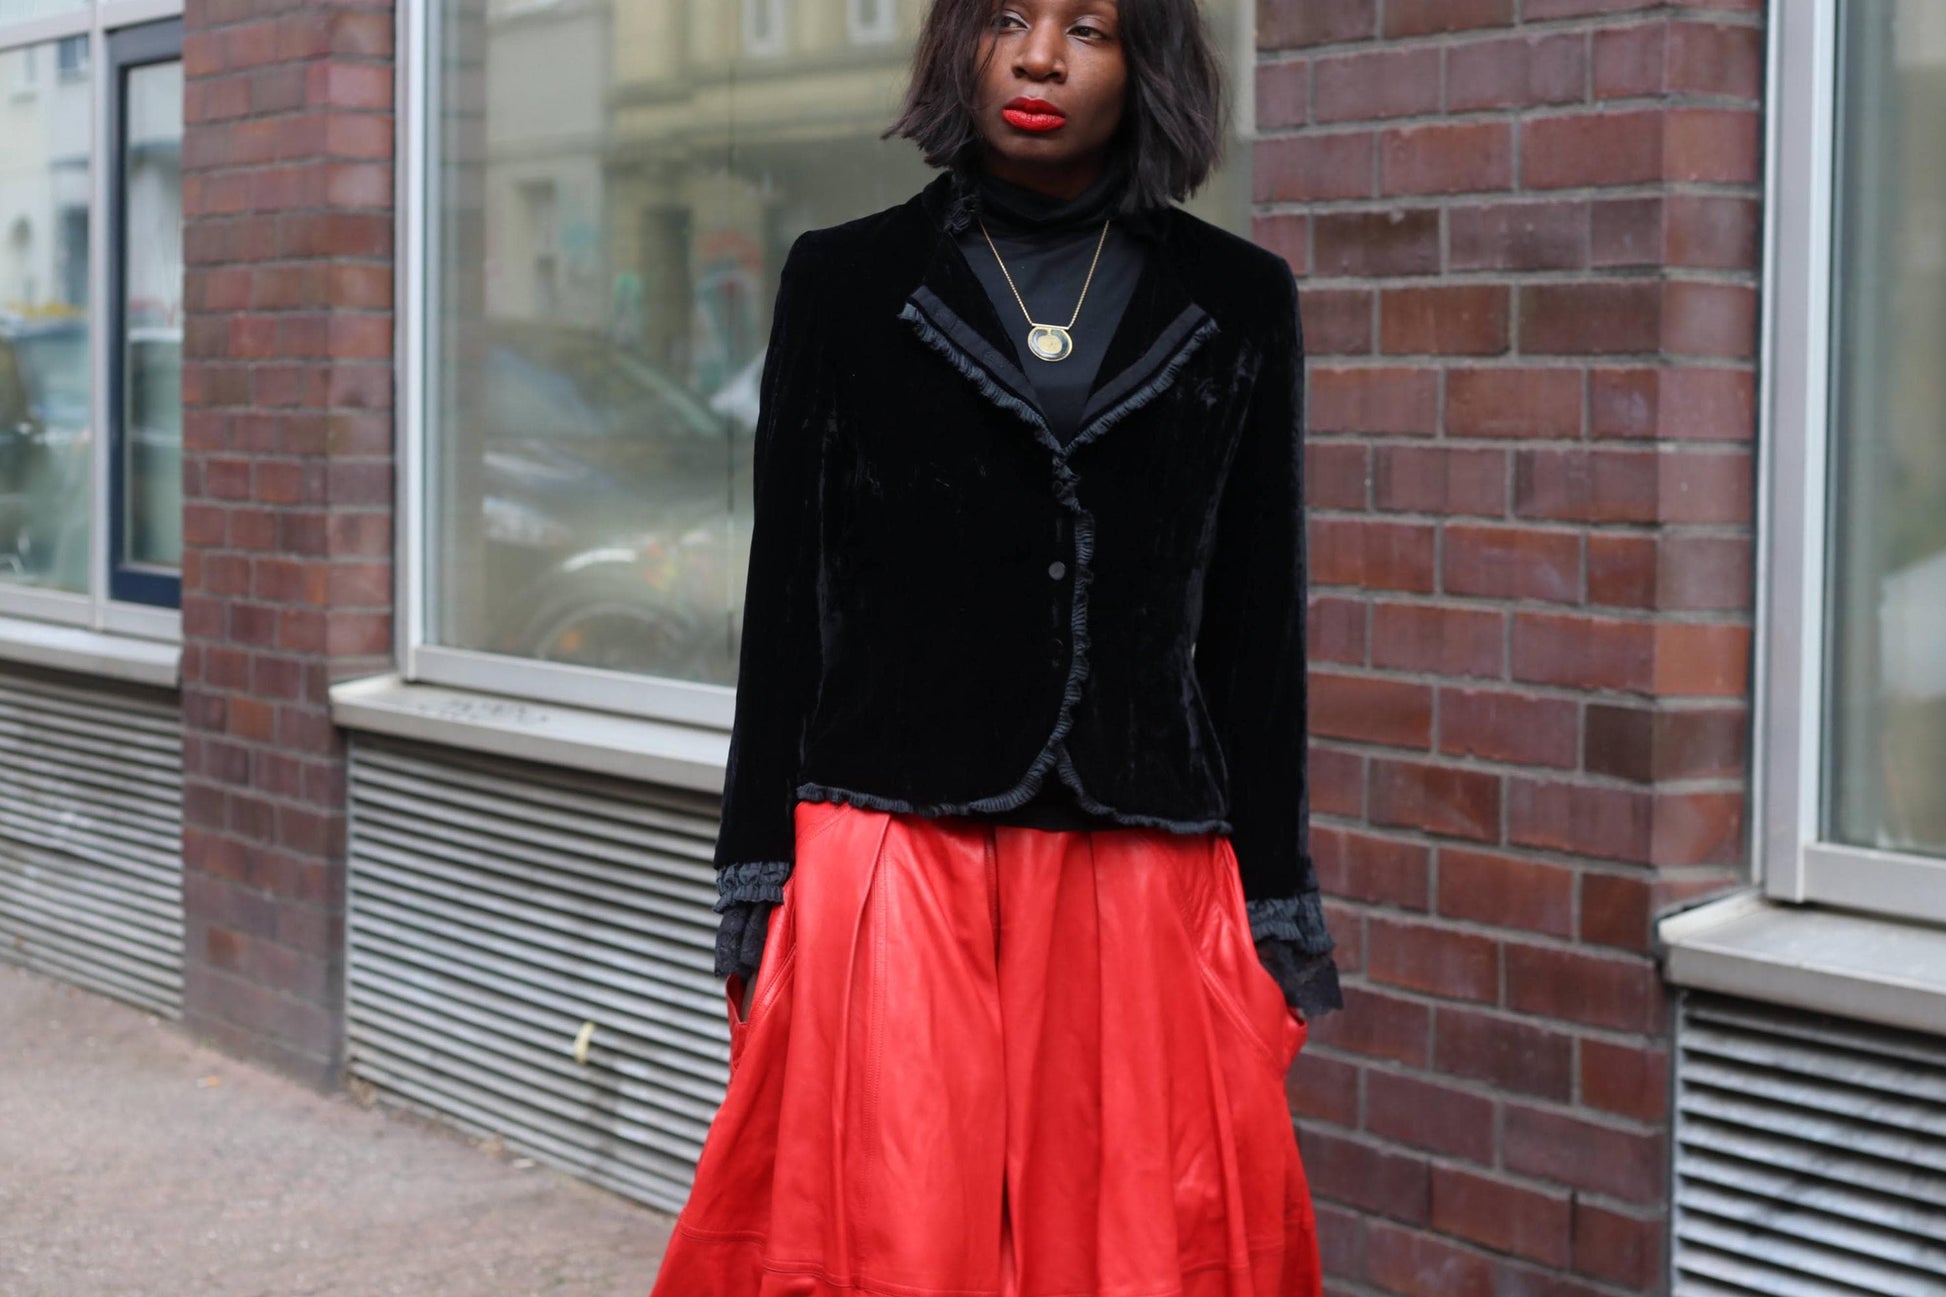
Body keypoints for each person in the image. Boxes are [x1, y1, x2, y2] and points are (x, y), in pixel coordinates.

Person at [650, 0, 1340, 1292]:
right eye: (1006, 20)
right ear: (955, 44)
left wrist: (1274, 895)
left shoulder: (1239, 301)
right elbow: (785, 606)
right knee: (894, 1238)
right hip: (891, 851)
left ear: (1149, 63)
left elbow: (1254, 630)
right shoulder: (842, 283)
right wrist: (753, 866)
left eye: (1089, 27)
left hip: (1136, 866)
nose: (1038, 59)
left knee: (1134, 1249)